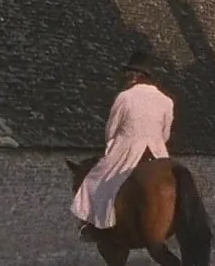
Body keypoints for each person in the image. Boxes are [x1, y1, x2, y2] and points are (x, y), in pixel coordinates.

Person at [70, 51, 174, 242]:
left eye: (128, 73)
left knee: (93, 181)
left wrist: (111, 145)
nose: (125, 77)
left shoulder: (125, 97)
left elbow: (112, 128)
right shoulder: (166, 101)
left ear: (135, 75)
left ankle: (90, 225)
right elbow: (166, 133)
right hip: (158, 151)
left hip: (127, 149)